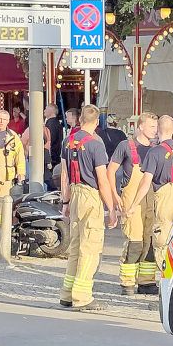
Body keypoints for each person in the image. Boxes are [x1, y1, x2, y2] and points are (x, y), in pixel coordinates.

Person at [129, 115, 173, 292]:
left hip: (163, 198)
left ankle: (166, 282)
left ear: (158, 131)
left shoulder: (155, 152)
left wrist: (133, 205)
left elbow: (146, 182)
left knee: (161, 241)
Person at [59, 104, 118, 311]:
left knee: (75, 245)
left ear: (80, 119)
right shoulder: (95, 144)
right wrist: (111, 207)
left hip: (74, 194)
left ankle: (67, 293)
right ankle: (82, 296)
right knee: (90, 247)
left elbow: (65, 175)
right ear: (97, 121)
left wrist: (65, 202)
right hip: (90, 196)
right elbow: (102, 180)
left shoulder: (68, 141)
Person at [106, 112, 158, 296]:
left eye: (156, 127)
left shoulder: (155, 148)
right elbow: (110, 171)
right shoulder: (125, 146)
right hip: (131, 201)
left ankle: (147, 281)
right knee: (135, 242)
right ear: (141, 127)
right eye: (152, 127)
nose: (155, 130)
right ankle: (127, 282)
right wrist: (114, 196)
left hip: (151, 202)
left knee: (150, 242)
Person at [44, 103, 63, 190]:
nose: (44, 110)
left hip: (52, 157)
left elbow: (49, 141)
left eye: (46, 109)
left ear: (51, 111)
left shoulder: (51, 124)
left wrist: (48, 158)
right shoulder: (56, 123)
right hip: (55, 156)